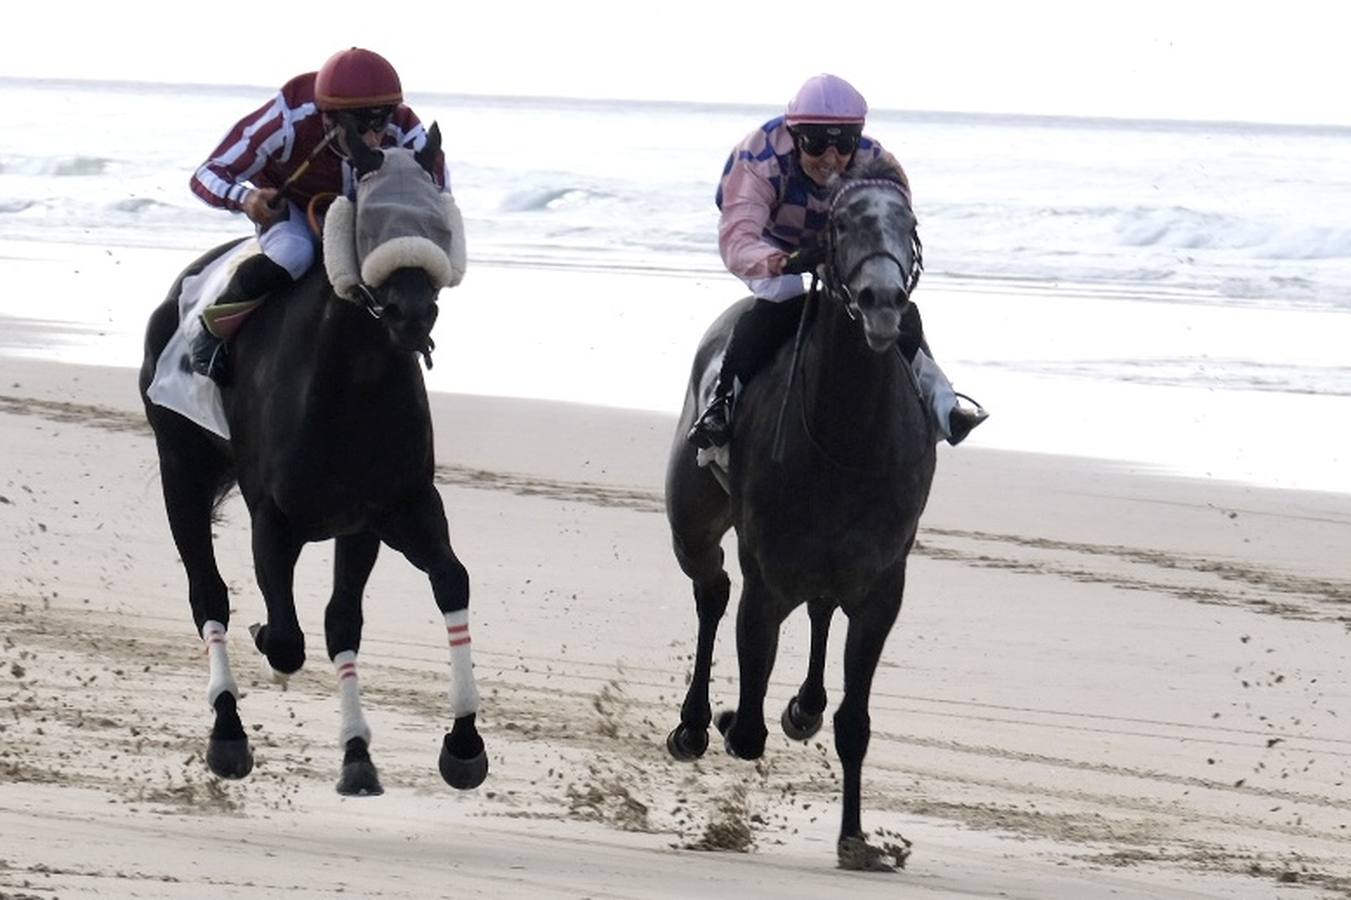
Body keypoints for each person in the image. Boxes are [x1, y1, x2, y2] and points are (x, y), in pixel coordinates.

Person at [687, 73, 987, 450]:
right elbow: (738, 240)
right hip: (773, 243)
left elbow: (894, 230)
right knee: (783, 298)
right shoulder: (758, 157)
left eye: (844, 144)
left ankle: (945, 406)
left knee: (895, 308)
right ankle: (720, 405)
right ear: (796, 136)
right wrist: (787, 261)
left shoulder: (878, 163)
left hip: (843, 245)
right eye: (816, 146)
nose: (831, 159)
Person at [187, 47, 451, 384]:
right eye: (360, 125)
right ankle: (212, 333)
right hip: (294, 210)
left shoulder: (404, 126)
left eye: (380, 121)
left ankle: (409, 337)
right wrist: (247, 198)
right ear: (328, 118)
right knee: (294, 253)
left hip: (366, 216)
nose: (373, 137)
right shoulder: (286, 119)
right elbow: (208, 173)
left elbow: (440, 193)